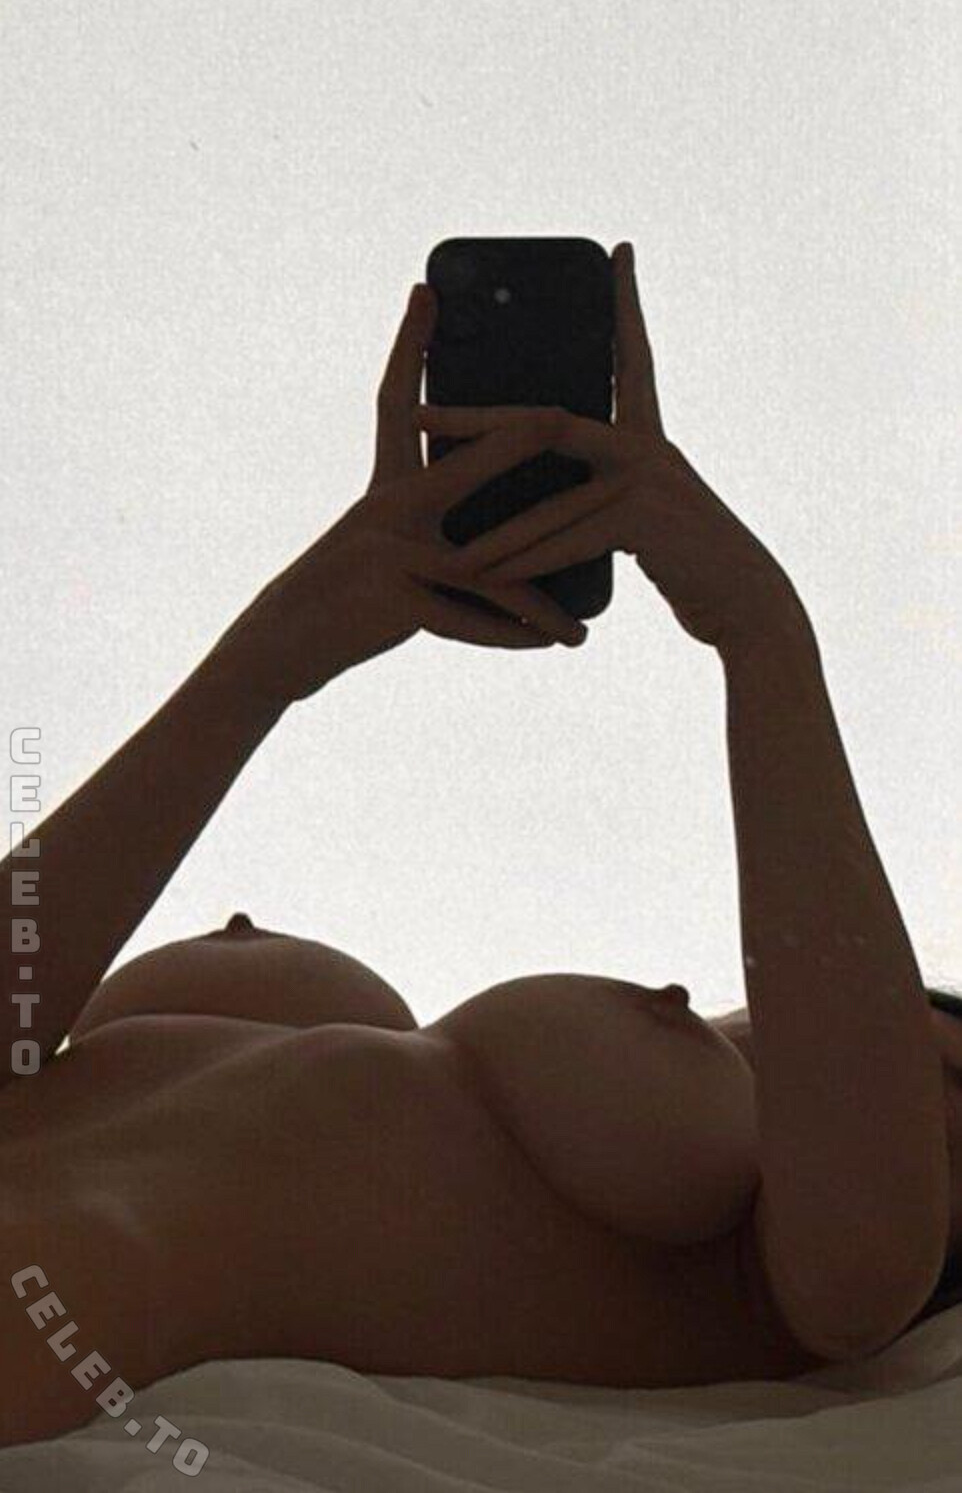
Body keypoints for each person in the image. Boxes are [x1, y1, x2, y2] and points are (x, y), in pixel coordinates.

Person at [2, 246, 960, 1449]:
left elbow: (857, 1239)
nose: (916, 1083)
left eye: (949, 1101)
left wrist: (761, 631)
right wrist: (282, 646)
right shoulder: (450, 1067)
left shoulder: (832, 1263)